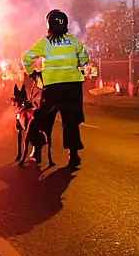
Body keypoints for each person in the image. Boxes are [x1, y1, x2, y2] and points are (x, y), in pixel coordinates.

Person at [22, 9, 89, 169]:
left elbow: (26, 58)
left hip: (52, 89)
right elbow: (85, 58)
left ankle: (36, 152)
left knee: (42, 120)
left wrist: (33, 73)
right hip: (73, 87)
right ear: (65, 24)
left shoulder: (45, 43)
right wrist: (75, 66)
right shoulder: (74, 41)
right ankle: (73, 156)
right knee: (71, 122)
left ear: (49, 25)